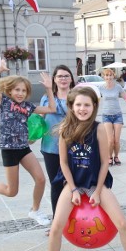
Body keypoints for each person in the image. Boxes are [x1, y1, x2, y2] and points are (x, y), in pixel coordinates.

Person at [36, 86, 126, 251]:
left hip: (95, 182)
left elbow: (105, 162)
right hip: (73, 183)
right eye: (78, 105)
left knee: (122, 223)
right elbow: (63, 162)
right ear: (71, 106)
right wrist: (72, 190)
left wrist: (98, 191)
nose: (82, 109)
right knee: (56, 227)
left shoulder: (99, 128)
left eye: (87, 105)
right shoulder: (65, 129)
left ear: (94, 107)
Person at [0, 58, 56, 227]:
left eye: (24, 90)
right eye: (17, 90)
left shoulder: (28, 106)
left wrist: (49, 89)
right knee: (11, 191)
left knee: (41, 179)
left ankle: (35, 210)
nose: (20, 93)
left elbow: (51, 109)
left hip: (23, 148)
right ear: (10, 90)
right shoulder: (4, 101)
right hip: (9, 150)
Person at [40, 64, 74, 217]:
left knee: (74, 183)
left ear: (71, 79)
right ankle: (57, 221)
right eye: (60, 76)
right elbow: (40, 119)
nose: (63, 79)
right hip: (51, 147)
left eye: (67, 76)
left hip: (73, 146)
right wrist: (31, 136)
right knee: (56, 184)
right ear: (54, 79)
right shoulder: (46, 98)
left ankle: (75, 218)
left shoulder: (76, 96)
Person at [99, 68, 126, 166]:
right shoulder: (101, 88)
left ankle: (116, 156)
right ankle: (109, 157)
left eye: (110, 75)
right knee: (110, 140)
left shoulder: (118, 87)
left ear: (113, 76)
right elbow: (94, 98)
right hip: (106, 116)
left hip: (117, 115)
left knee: (116, 140)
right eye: (107, 75)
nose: (109, 77)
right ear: (104, 77)